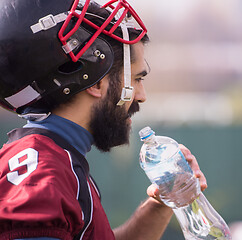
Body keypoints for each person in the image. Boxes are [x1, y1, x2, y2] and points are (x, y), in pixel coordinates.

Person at [0, 0, 207, 239]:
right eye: (137, 79)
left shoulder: (53, 162)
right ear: (97, 81)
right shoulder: (42, 179)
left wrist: (162, 203)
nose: (141, 96)